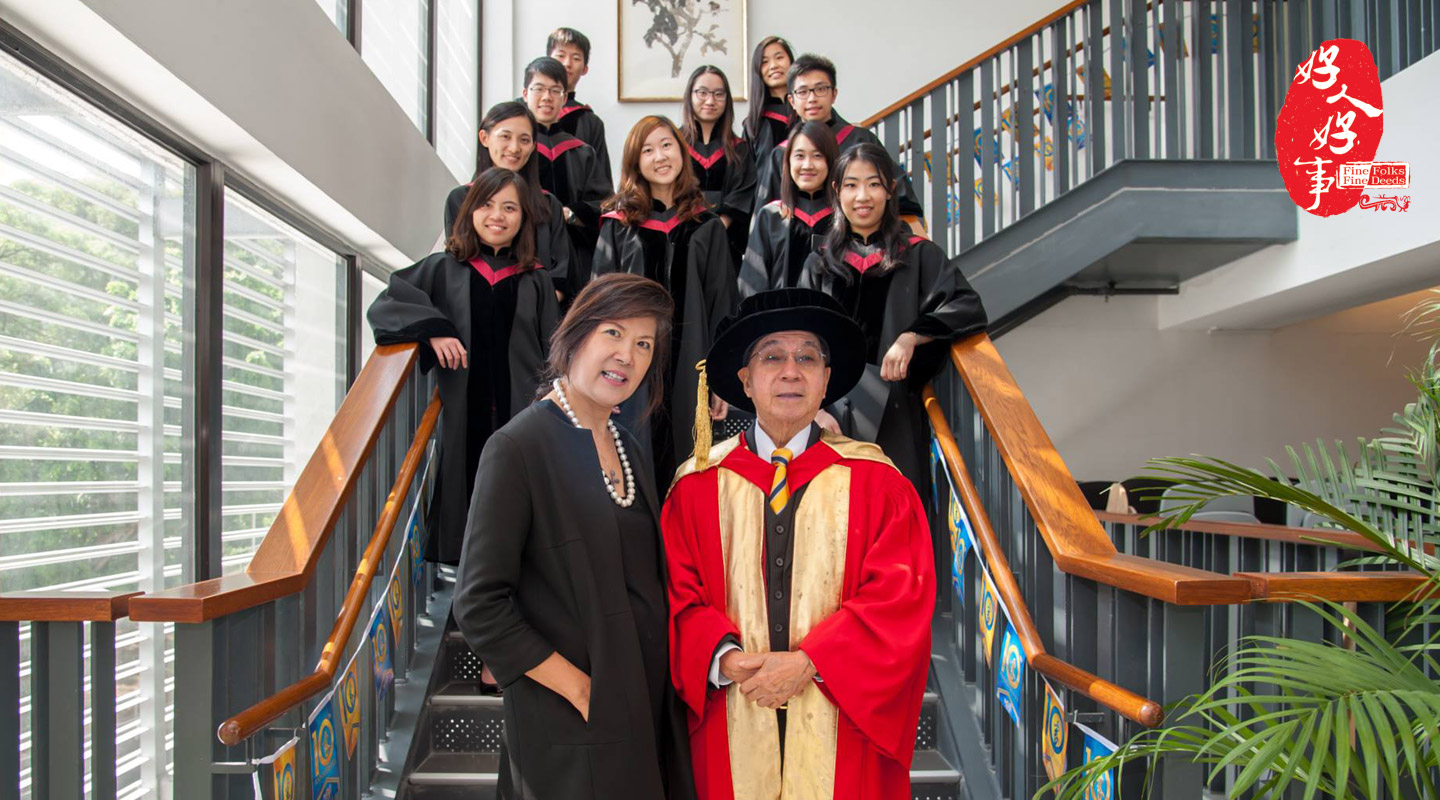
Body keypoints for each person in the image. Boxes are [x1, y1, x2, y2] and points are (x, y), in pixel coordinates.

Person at [662, 288, 937, 800]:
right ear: (745, 380)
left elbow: (901, 599)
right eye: (772, 357)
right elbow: (676, 596)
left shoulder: (879, 483)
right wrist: (721, 657)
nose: (791, 371)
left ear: (826, 379)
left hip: (844, 720)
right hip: (733, 712)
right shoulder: (696, 485)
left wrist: (812, 661)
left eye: (807, 358)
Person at [454, 274, 696, 800]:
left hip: (642, 703)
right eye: (613, 333)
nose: (627, 356)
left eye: (643, 344)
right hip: (570, 718)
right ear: (575, 334)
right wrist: (583, 691)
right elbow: (478, 604)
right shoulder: (518, 447)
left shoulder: (627, 445)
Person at [368, 168, 559, 564]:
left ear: (523, 219)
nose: (498, 216)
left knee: (517, 498)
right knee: (465, 495)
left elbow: (553, 346)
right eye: (487, 205)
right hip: (462, 411)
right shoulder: (443, 267)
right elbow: (390, 301)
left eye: (510, 208)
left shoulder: (535, 279)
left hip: (519, 411)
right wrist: (435, 329)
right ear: (470, 211)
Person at [800, 143, 987, 499]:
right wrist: (814, 411)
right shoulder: (819, 263)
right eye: (852, 185)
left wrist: (912, 337)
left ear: (890, 189)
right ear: (837, 191)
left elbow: (965, 305)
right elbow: (799, 340)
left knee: (894, 511)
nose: (862, 196)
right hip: (828, 415)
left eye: (873, 184)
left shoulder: (918, 254)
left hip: (895, 412)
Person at [593, 115, 735, 483]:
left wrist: (721, 379)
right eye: (648, 149)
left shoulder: (707, 225)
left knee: (689, 462)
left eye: (667, 145)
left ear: (682, 152)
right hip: (630, 366)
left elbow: (723, 306)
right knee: (632, 460)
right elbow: (599, 309)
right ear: (635, 162)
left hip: (693, 365)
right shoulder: (619, 224)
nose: (660, 156)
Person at [755, 54, 926, 231]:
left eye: (820, 89)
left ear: (834, 94)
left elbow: (898, 196)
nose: (812, 98)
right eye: (803, 92)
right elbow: (766, 217)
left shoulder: (861, 140)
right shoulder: (781, 154)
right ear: (792, 100)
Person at [443, 101, 575, 300]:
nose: (514, 148)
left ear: (532, 147)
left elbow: (561, 274)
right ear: (484, 137)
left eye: (524, 140)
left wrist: (536, 311)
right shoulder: (461, 199)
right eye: (505, 136)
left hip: (535, 316)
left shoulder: (548, 205)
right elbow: (456, 263)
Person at [523, 56, 612, 290]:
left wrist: (571, 213)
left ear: (565, 98)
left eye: (555, 91)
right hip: (523, 252)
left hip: (574, 256)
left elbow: (605, 203)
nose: (546, 97)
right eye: (539, 89)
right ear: (525, 94)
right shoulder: (514, 149)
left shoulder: (582, 152)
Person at [738, 121, 839, 298]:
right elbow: (753, 283)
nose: (807, 165)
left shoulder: (842, 219)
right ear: (788, 162)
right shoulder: (771, 216)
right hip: (777, 322)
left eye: (817, 156)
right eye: (799, 156)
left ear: (831, 161)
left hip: (831, 321)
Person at [680, 65, 756, 270]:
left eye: (718, 94)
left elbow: (743, 192)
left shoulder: (739, 148)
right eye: (702, 92)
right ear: (690, 95)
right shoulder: (674, 144)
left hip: (725, 242)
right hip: (681, 237)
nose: (710, 100)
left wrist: (717, 227)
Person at [546, 27, 612, 183]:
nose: (567, 64)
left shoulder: (590, 122)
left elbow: (601, 185)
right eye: (560, 56)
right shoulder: (520, 113)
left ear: (585, 69)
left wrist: (575, 208)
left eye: (576, 58)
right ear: (547, 60)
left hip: (572, 207)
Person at [741, 36, 795, 167]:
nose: (774, 66)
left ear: (792, 63)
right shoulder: (754, 124)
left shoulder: (808, 112)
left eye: (779, 58)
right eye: (764, 62)